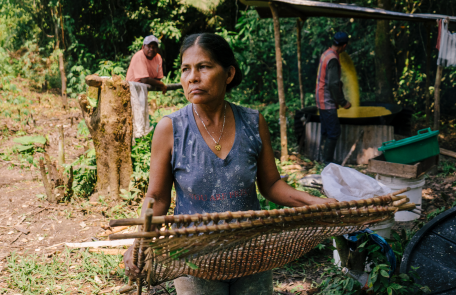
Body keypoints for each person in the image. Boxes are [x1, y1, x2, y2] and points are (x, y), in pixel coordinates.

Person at [123, 33, 337, 295]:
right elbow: (156, 197)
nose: (192, 77)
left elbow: (271, 184)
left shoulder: (253, 123)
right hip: (194, 260)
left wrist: (316, 204)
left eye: (204, 67)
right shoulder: (171, 129)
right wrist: (140, 240)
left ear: (229, 73)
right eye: (185, 69)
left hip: (252, 254)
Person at [315, 32, 352, 164]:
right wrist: (343, 102)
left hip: (320, 97)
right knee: (334, 131)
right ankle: (328, 162)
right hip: (326, 100)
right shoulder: (333, 59)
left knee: (326, 130)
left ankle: (322, 159)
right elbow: (333, 84)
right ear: (344, 45)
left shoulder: (326, 53)